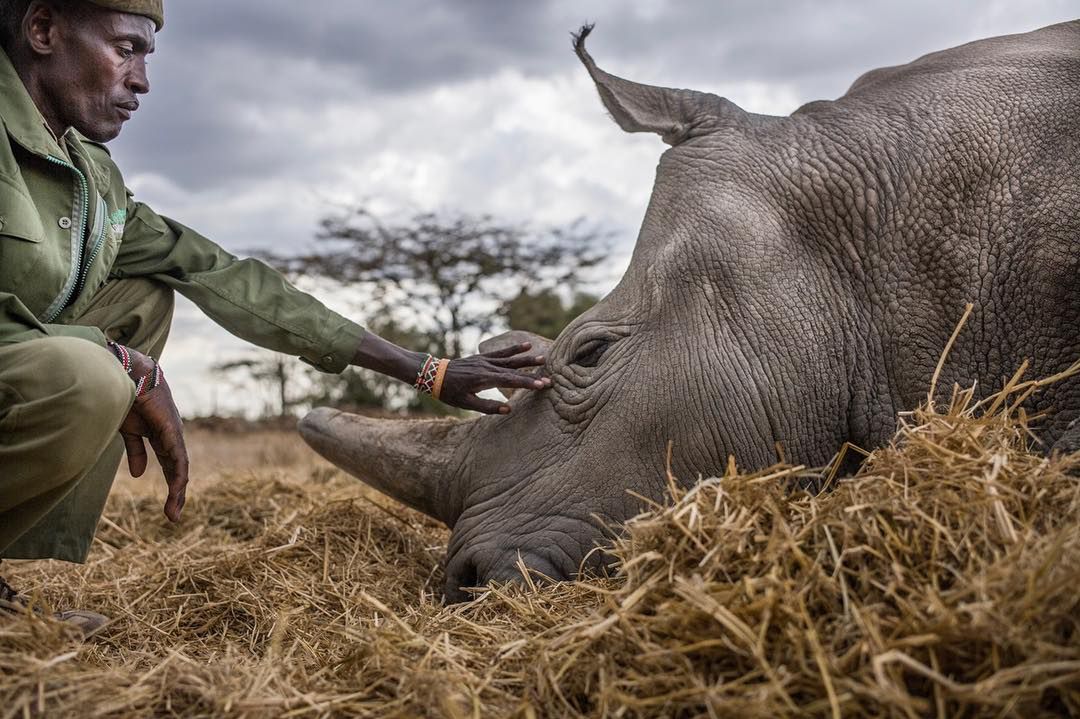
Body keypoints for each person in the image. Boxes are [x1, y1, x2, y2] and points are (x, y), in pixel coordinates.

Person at [0, 0, 551, 635]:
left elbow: (228, 278)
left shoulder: (92, 177)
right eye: (125, 50)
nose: (143, 80)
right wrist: (115, 362)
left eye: (148, 56)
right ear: (42, 30)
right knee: (89, 375)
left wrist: (426, 370)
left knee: (144, 295)